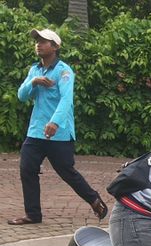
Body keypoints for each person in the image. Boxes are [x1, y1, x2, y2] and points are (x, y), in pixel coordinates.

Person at [9, 28, 108, 226]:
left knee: (66, 171)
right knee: (27, 168)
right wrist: (33, 82)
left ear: (55, 47)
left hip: (59, 133)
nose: (38, 43)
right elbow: (21, 95)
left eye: (44, 41)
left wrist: (54, 122)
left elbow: (66, 100)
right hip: (36, 131)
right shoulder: (34, 70)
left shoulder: (64, 71)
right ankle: (33, 215)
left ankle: (94, 199)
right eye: (37, 40)